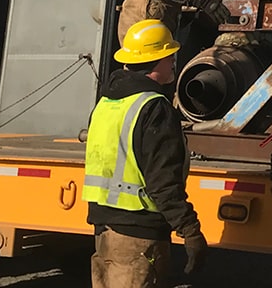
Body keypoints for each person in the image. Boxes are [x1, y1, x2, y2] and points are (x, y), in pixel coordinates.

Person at [85, 19, 208, 286]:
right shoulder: (154, 108)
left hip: (104, 228)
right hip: (138, 235)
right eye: (170, 56)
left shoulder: (107, 102)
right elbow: (162, 180)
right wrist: (189, 229)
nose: (174, 61)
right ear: (156, 60)